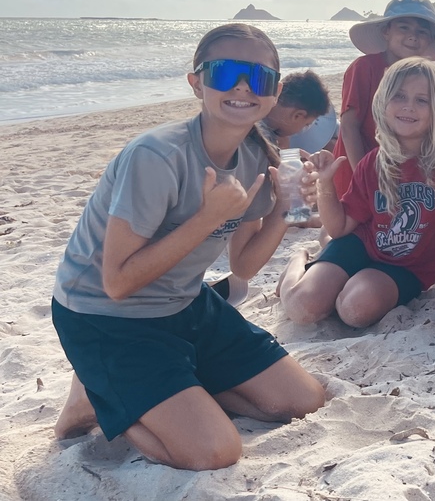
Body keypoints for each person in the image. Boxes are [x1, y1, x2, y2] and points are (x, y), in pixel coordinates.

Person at [50, 24, 325, 471]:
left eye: (258, 78)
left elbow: (244, 264)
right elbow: (117, 283)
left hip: (183, 303)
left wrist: (286, 209)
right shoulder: (156, 156)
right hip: (104, 316)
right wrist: (207, 219)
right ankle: (96, 399)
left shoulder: (257, 155)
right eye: (224, 73)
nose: (241, 87)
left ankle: (145, 390)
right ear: (197, 82)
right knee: (216, 452)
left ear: (274, 94)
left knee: (303, 401)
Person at [277, 57, 435, 327]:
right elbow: (339, 229)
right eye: (399, 96)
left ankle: (338, 280)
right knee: (303, 308)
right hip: (358, 246)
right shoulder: (372, 161)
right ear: (383, 104)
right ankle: (299, 260)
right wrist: (325, 184)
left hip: (407, 266)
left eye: (422, 100)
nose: (409, 106)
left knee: (355, 310)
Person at [331, 0, 435, 203]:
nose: (413, 36)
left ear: (430, 39)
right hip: (359, 168)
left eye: (422, 31)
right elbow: (349, 127)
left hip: (405, 176)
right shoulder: (364, 68)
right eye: (404, 27)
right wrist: (364, 177)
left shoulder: (428, 77)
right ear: (386, 31)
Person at [258, 69, 332, 149]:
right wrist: (281, 153)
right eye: (306, 124)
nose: (301, 130)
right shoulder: (263, 141)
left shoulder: (253, 117)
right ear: (297, 115)